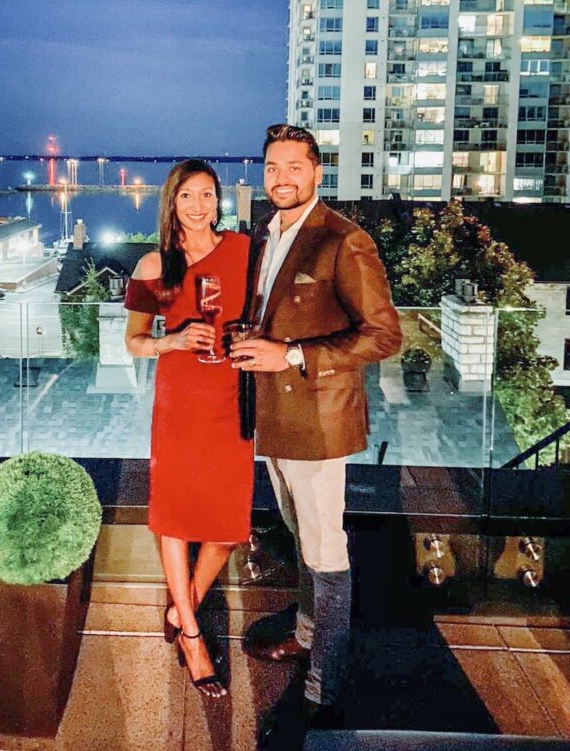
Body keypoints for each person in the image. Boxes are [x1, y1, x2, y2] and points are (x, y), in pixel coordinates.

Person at [229, 124, 402, 748]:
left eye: (294, 167)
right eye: (272, 167)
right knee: (303, 538)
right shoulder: (268, 234)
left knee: (327, 553)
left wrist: (293, 354)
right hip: (274, 419)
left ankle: (325, 687)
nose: (281, 178)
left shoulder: (344, 240)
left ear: (316, 172)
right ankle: (305, 634)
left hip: (320, 422)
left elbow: (384, 335)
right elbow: (274, 315)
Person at [124, 158, 253, 699]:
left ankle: (183, 606)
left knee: (227, 527)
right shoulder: (153, 264)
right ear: (171, 203)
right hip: (179, 403)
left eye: (206, 195)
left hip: (232, 398)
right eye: (187, 196)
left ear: (218, 200)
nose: (198, 206)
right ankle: (193, 639)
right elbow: (133, 340)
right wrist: (171, 341)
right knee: (176, 517)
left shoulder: (244, 251)